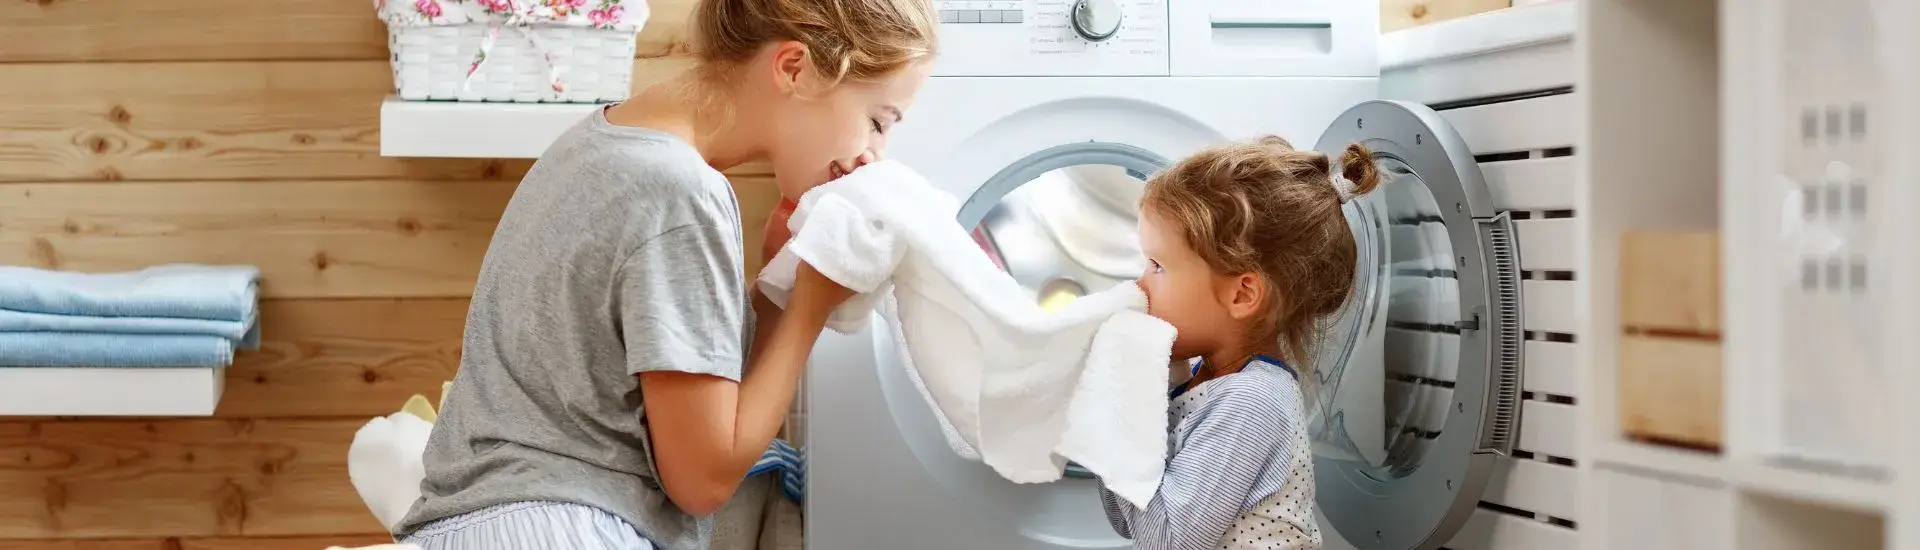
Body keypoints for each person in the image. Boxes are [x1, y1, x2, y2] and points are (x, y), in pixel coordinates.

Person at [391, 0, 938, 547]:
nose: (874, 158)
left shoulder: (604, 141)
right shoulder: (682, 193)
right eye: (877, 121)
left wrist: (776, 292)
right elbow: (703, 479)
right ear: (794, 68)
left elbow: (698, 416)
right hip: (559, 529)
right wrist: (812, 305)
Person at [1099, 136, 1382, 550]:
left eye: (1157, 266)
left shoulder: (1251, 402)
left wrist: (1117, 409)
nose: (1140, 283)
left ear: (1242, 295)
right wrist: (1125, 395)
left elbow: (1166, 541)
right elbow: (1129, 520)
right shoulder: (1198, 380)